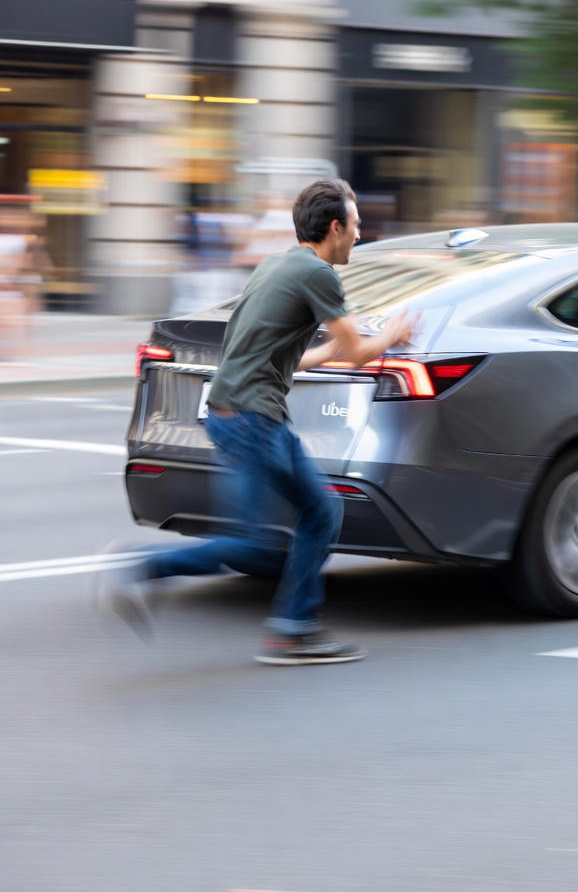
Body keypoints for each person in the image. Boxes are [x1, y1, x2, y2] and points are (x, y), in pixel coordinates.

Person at [106, 178, 417, 665]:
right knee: (274, 535)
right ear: (334, 228)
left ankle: (294, 625)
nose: (360, 234)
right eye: (356, 225)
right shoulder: (320, 275)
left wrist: (331, 350)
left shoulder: (276, 265)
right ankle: (149, 569)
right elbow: (360, 353)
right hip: (254, 420)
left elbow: (277, 358)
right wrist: (392, 334)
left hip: (234, 415)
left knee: (307, 519)